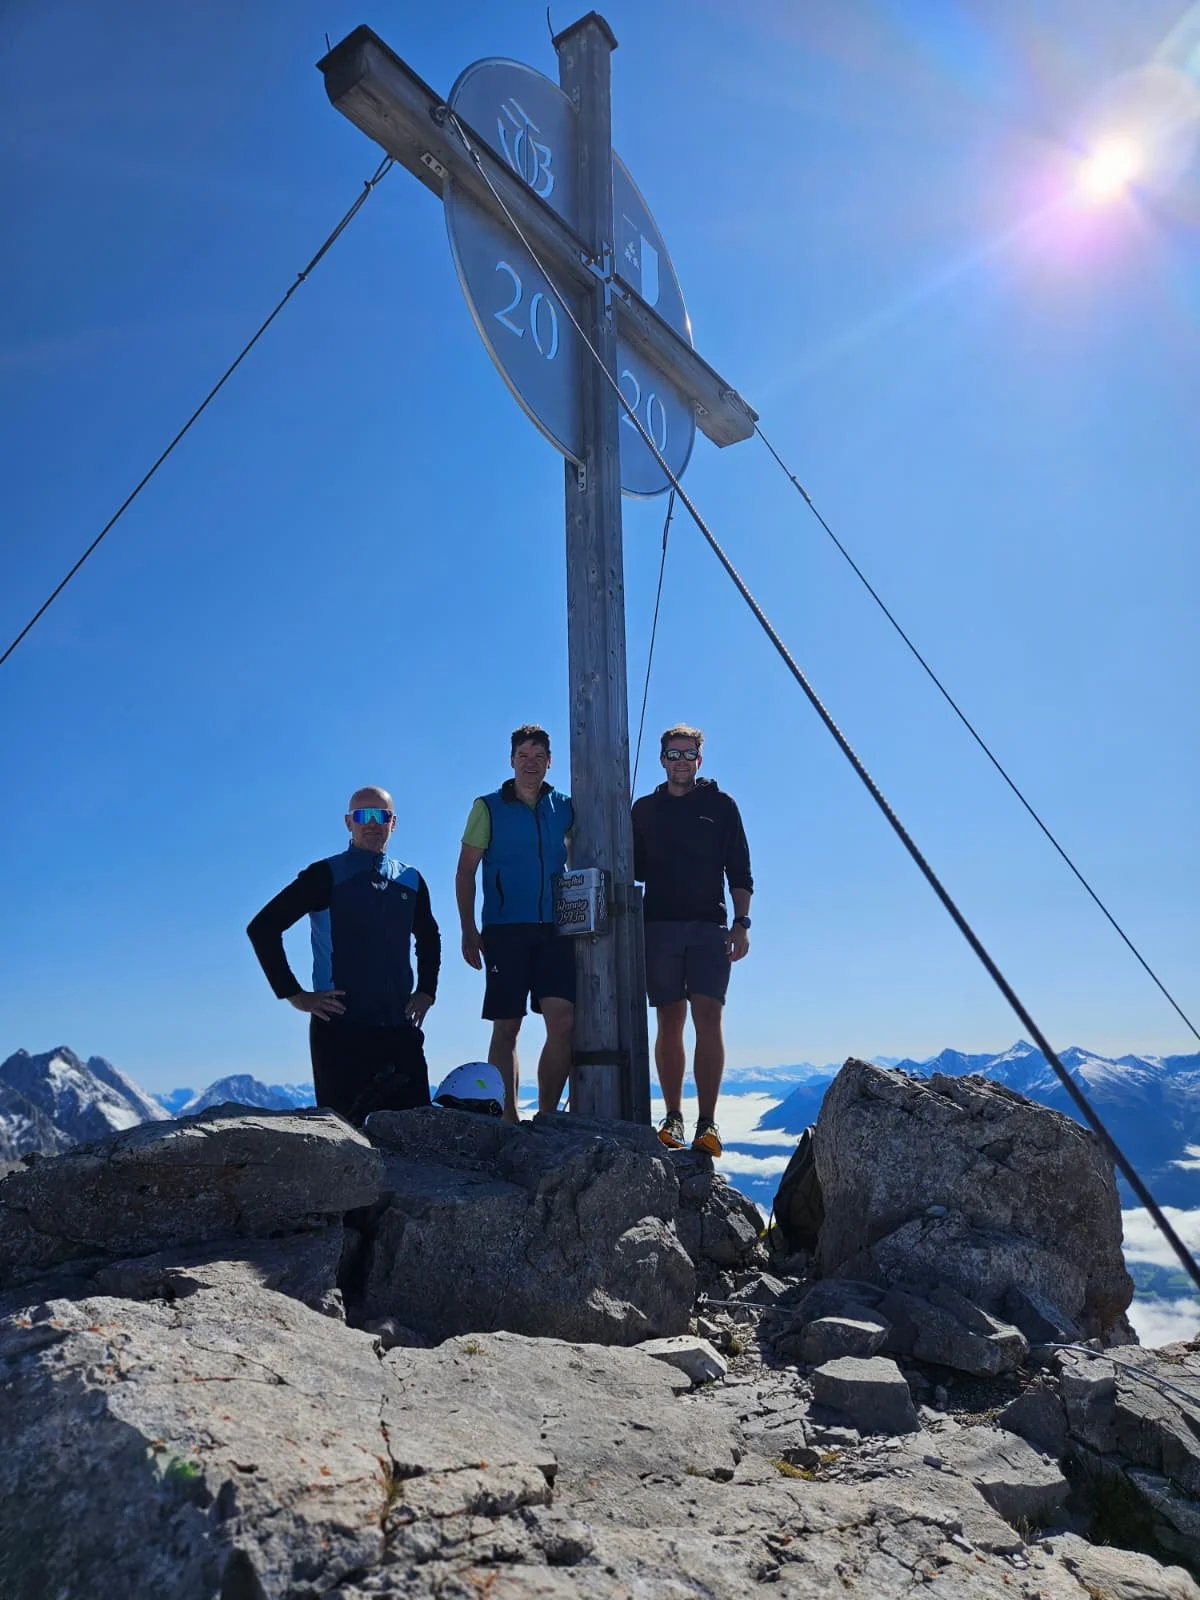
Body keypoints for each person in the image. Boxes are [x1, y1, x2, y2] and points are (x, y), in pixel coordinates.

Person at [246, 786, 440, 1123]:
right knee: (345, 1143)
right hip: (340, 1031)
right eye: (362, 816)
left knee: (416, 1138)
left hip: (399, 1028)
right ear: (348, 822)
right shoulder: (325, 875)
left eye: (381, 816)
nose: (372, 823)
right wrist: (295, 995)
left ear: (393, 823)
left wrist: (426, 990)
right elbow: (263, 927)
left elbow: (429, 937)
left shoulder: (410, 880)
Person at [632, 725, 753, 1157]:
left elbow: (739, 870)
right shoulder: (644, 810)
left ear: (700, 761)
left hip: (709, 927)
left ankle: (708, 1122)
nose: (680, 762)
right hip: (659, 925)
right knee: (669, 1021)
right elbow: (633, 866)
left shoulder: (721, 806)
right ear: (661, 760)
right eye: (672, 755)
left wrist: (741, 924)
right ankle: (673, 1118)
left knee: (708, 1018)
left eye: (688, 755)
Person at [455, 724, 575, 1123]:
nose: (531, 763)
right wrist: (469, 929)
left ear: (549, 762)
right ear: (511, 760)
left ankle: (546, 1117)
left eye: (539, 757)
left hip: (554, 929)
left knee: (563, 1022)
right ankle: (508, 1120)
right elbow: (465, 871)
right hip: (504, 930)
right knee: (507, 1026)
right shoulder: (487, 807)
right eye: (523, 756)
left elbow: (579, 859)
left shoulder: (564, 807)